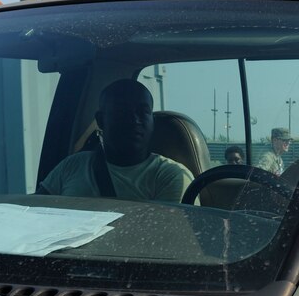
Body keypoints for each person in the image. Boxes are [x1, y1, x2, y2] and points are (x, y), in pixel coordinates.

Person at [38, 79, 193, 203]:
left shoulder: (170, 176)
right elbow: (33, 213)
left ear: (152, 121)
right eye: (122, 112)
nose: (135, 120)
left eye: (143, 112)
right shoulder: (72, 165)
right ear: (100, 120)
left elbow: (171, 238)